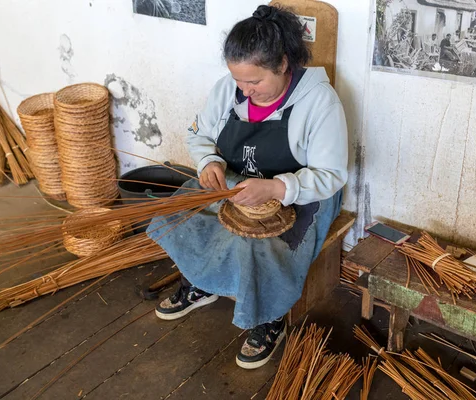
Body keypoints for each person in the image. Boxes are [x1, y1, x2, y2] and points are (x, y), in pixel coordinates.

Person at [146, 5, 347, 369]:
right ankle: (200, 281)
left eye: (254, 82)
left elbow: (331, 174)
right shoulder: (229, 89)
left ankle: (268, 316)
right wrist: (209, 161)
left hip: (302, 194)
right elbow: (199, 134)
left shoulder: (320, 101)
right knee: (183, 213)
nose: (245, 90)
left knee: (259, 242)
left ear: (283, 64)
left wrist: (275, 189)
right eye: (239, 81)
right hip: (236, 180)